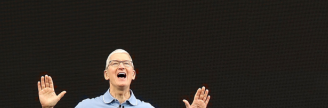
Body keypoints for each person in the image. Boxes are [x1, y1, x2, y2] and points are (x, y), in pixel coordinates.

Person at [37, 49, 211, 108]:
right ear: (106, 74)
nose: (121, 66)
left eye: (126, 63)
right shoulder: (86, 106)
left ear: (133, 74)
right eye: (115, 63)